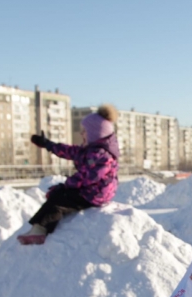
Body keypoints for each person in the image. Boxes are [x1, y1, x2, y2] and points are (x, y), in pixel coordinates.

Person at [17, 104, 120, 245]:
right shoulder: (90, 150)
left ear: (95, 133)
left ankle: (40, 231)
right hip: (89, 190)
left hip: (96, 194)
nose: (81, 133)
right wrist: (48, 144)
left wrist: (66, 186)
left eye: (84, 131)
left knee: (60, 199)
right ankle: (36, 228)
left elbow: (89, 177)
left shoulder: (102, 155)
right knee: (58, 194)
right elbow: (69, 151)